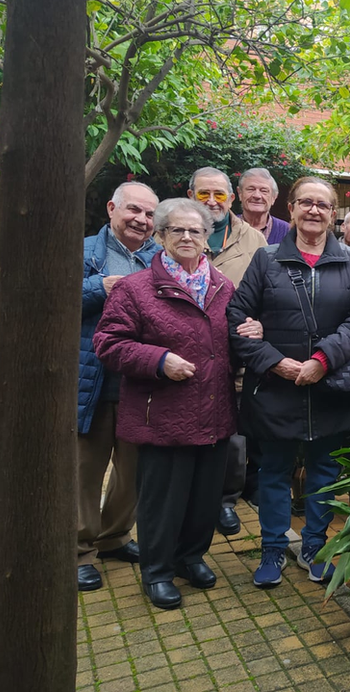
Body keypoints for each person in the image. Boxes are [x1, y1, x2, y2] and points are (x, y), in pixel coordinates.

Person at [93, 198, 241, 610]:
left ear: (208, 237)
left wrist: (253, 331)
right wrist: (158, 360)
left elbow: (233, 342)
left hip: (214, 412)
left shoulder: (223, 287)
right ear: (159, 236)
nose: (188, 237)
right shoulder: (134, 289)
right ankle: (157, 571)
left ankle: (189, 557)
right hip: (163, 416)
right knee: (163, 501)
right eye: (177, 230)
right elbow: (108, 344)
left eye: (196, 230)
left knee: (204, 498)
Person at [228, 177, 350, 588]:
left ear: (333, 214)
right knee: (273, 471)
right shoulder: (266, 260)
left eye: (322, 205)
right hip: (276, 390)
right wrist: (277, 364)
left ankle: (314, 546)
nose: (313, 210)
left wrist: (322, 361)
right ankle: (273, 548)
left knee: (325, 470)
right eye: (305, 202)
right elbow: (237, 319)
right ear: (289, 209)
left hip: (330, 390)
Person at [77, 182, 160, 592]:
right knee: (85, 471)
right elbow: (49, 297)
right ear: (112, 208)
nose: (141, 220)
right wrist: (101, 288)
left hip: (136, 385)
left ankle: (113, 537)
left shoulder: (155, 258)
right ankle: (78, 550)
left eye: (148, 215)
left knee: (132, 472)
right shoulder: (83, 250)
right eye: (133, 210)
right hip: (90, 380)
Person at [187, 166, 267, 535]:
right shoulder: (177, 233)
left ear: (231, 198)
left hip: (234, 354)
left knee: (233, 434)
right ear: (191, 196)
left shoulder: (254, 242)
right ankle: (186, 501)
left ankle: (225, 501)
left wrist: (263, 326)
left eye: (219, 194)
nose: (212, 201)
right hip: (184, 354)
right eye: (204, 194)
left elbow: (270, 294)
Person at [238, 167, 289, 245]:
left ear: (274, 197)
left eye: (264, 191)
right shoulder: (226, 228)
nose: (257, 196)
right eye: (251, 189)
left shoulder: (288, 232)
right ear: (240, 194)